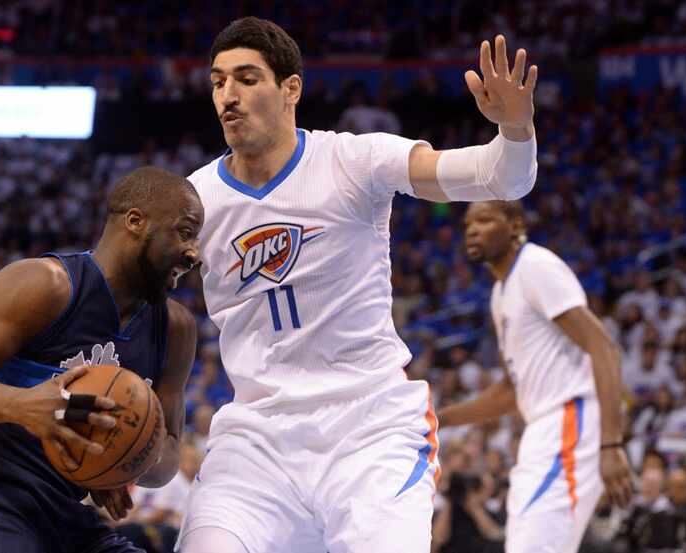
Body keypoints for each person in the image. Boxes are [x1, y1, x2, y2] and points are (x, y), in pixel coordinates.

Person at [179, 16, 539, 553]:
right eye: (218, 81)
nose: (228, 94)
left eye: (247, 78)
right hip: (257, 439)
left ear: (290, 89)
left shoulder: (356, 159)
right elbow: (125, 292)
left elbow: (500, 178)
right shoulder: (193, 200)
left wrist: (514, 130)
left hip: (368, 431)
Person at [0, 167, 203, 553]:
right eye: (184, 232)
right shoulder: (48, 285)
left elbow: (170, 451)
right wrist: (23, 406)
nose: (194, 253)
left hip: (64, 513)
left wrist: (128, 454)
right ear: (135, 221)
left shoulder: (176, 329)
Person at [437, 200, 634, 553]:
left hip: (570, 419)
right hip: (543, 428)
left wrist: (611, 443)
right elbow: (513, 391)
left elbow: (604, 349)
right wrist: (441, 419)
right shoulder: (501, 294)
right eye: (468, 223)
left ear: (514, 226)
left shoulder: (536, 267)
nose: (472, 229)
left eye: (484, 219)